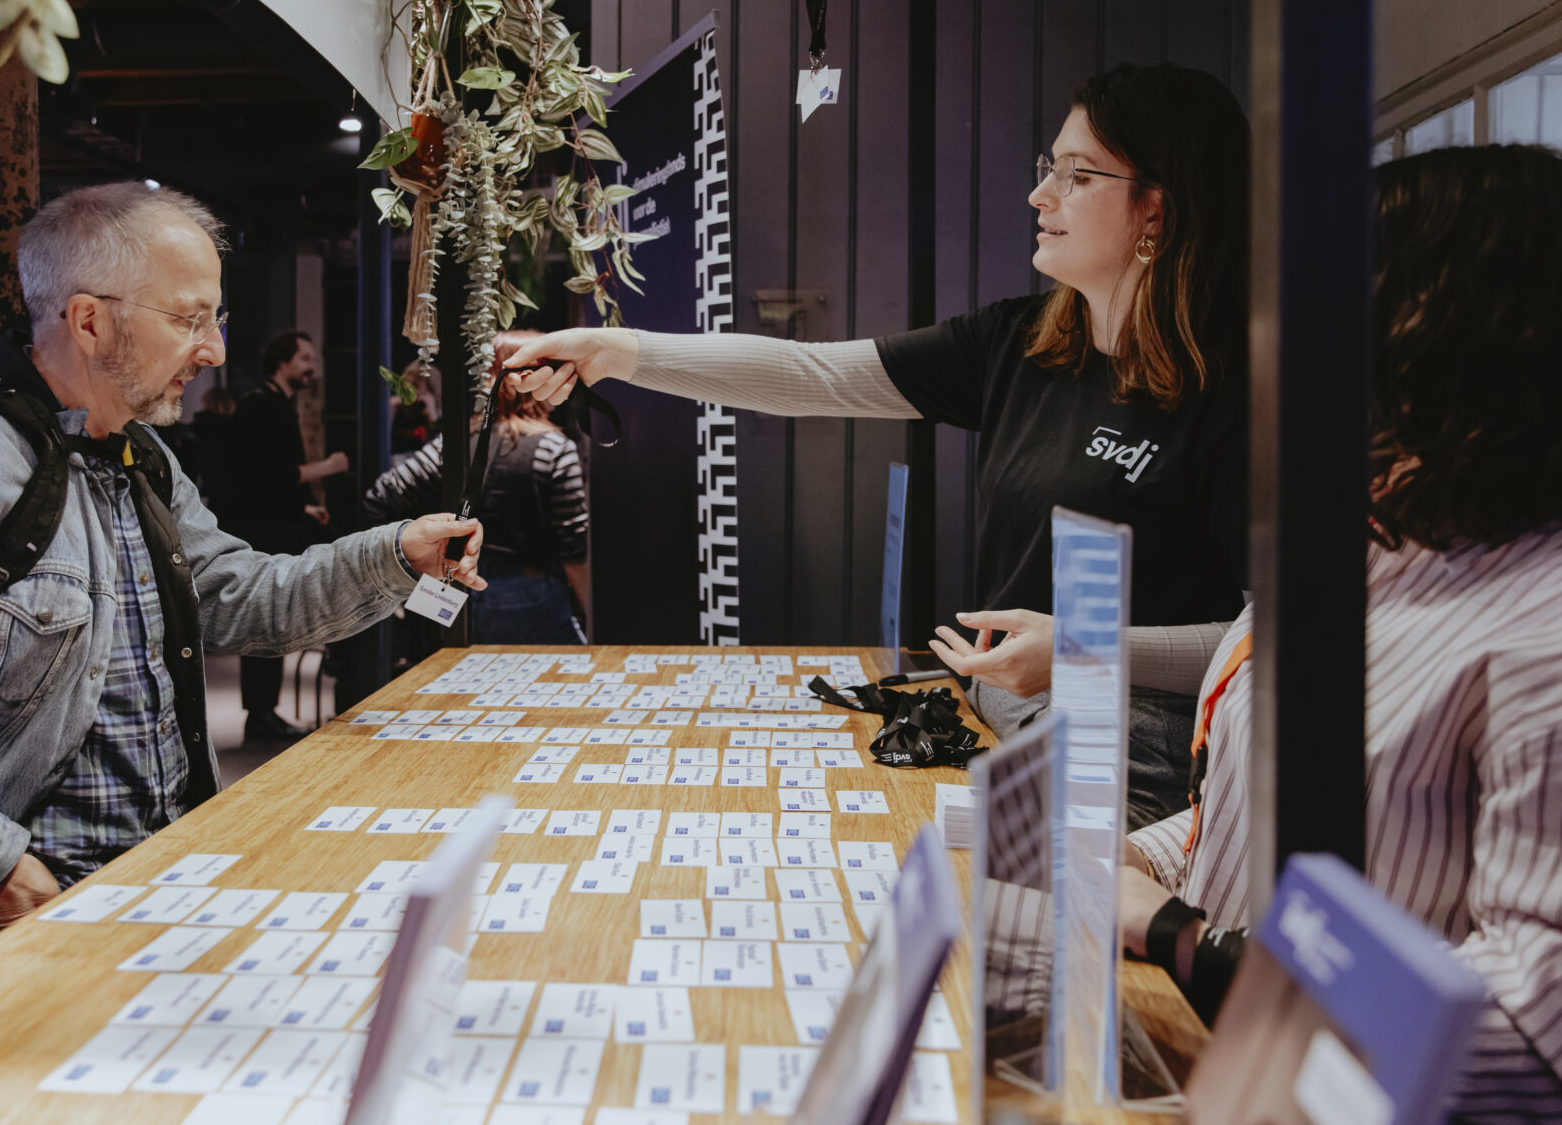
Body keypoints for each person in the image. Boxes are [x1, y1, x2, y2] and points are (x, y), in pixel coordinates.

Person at [0, 181, 485, 971]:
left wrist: (394, 553)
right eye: (189, 318)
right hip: (34, 933)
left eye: (216, 319)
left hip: (159, 892)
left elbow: (238, 594)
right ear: (89, 321)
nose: (214, 351)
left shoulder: (139, 457)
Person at [513, 62, 1250, 827]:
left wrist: (1091, 647)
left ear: (1155, 210)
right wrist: (615, 350)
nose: (1041, 194)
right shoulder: (1020, 344)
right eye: (1047, 167)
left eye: (1077, 175)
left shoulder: (1236, 390)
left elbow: (1273, 639)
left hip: (1130, 754)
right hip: (996, 717)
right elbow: (814, 375)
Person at [1119, 145, 1562, 1120]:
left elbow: (1534, 1031)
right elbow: (1234, 811)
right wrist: (1136, 862)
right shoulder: (1366, 542)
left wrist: (1182, 937)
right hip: (1222, 1064)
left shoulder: (1542, 631)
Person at [366, 330, 591, 644]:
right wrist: (591, 615)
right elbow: (574, 548)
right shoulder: (554, 448)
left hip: (454, 595)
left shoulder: (454, 445)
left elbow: (381, 496)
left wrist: (411, 571)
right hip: (531, 595)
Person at [212, 330, 353, 744]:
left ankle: (263, 711)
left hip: (269, 524)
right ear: (282, 361)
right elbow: (270, 476)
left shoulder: (272, 405)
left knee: (270, 616)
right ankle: (260, 713)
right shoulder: (263, 407)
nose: (313, 367)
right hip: (260, 533)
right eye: (305, 358)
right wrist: (329, 466)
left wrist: (303, 507)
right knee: (265, 617)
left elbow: (267, 482)